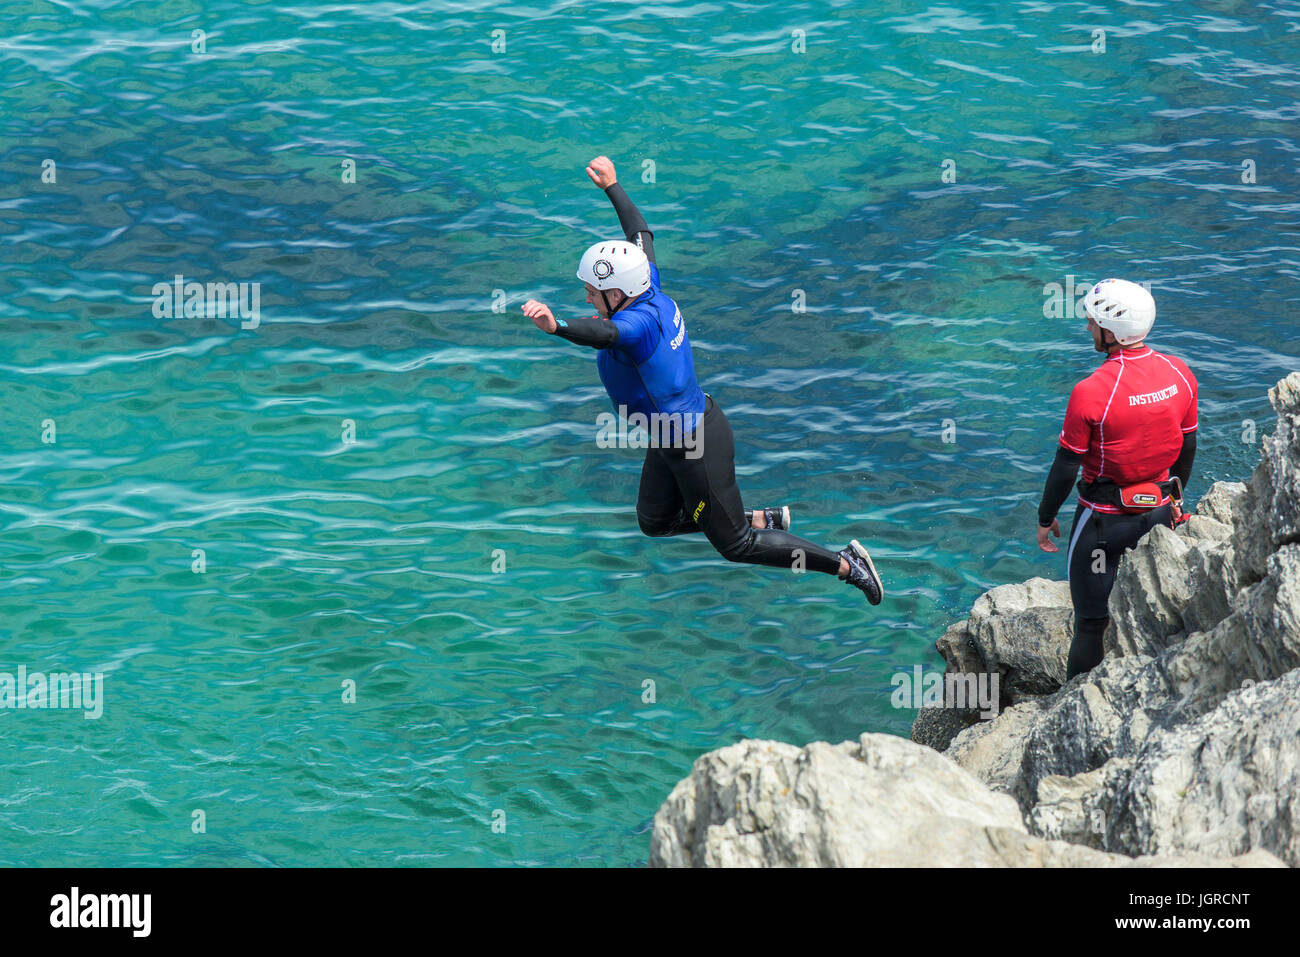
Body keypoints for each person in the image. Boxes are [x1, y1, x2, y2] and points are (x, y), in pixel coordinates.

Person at [521, 156, 883, 604]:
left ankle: (847, 563)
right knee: (655, 522)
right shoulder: (645, 282)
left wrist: (558, 326)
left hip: (694, 442)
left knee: (735, 546)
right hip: (671, 436)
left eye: (593, 293)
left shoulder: (635, 326)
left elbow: (605, 333)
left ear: (617, 294)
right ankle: (754, 517)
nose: (588, 298)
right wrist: (613, 187)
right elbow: (640, 236)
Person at [1036, 278, 1198, 678]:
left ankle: (1071, 708)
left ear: (1111, 331)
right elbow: (1188, 447)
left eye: (1092, 322)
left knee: (1091, 624)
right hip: (1159, 514)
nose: (1088, 327)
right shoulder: (1179, 373)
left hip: (1103, 524)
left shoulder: (1091, 391)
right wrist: (1176, 499)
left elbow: (1065, 466)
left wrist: (1045, 519)